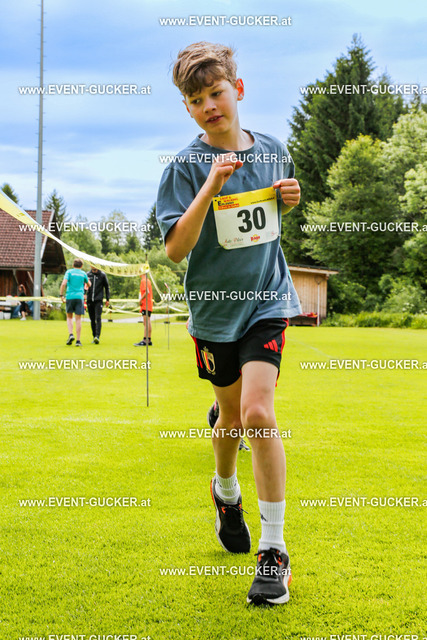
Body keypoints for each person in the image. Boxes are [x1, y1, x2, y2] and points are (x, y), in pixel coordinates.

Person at [156, 42, 302, 606]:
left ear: (237, 90)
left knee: (259, 414)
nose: (209, 106)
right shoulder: (184, 167)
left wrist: (289, 197)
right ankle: (225, 491)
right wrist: (211, 186)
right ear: (187, 109)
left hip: (267, 301)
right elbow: (176, 248)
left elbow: (271, 217)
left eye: (216, 93)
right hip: (215, 312)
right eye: (196, 100)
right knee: (233, 418)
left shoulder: (274, 150)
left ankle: (274, 551)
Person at [60, 259, 90, 346]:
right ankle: (78, 340)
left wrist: (61, 295)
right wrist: (86, 287)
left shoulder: (69, 272)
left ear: (73, 265)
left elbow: (63, 283)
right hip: (79, 297)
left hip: (70, 296)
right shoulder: (83, 273)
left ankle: (71, 334)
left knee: (69, 317)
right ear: (81, 266)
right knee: (78, 319)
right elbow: (89, 284)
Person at [86, 266, 110, 344]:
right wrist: (84, 294)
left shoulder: (102, 275)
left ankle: (97, 336)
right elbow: (84, 286)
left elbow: (107, 287)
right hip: (90, 299)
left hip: (98, 300)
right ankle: (94, 336)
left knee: (98, 317)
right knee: (92, 319)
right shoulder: (88, 274)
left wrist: (107, 299)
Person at [134, 274, 153, 346]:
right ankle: (149, 339)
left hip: (146, 304)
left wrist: (140, 300)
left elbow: (146, 291)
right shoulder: (148, 280)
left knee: (146, 322)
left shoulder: (144, 280)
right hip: (149, 304)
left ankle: (145, 340)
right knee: (148, 321)